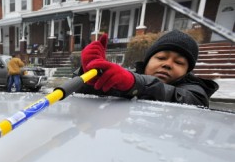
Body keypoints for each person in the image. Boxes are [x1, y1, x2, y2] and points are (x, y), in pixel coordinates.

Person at [78, 30, 218, 108]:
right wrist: (89, 74)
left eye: (179, 62)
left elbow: (190, 101)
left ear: (187, 71)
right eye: (161, 58)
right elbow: (84, 100)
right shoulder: (125, 79)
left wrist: (135, 84)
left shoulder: (195, 91)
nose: (167, 64)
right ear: (147, 61)